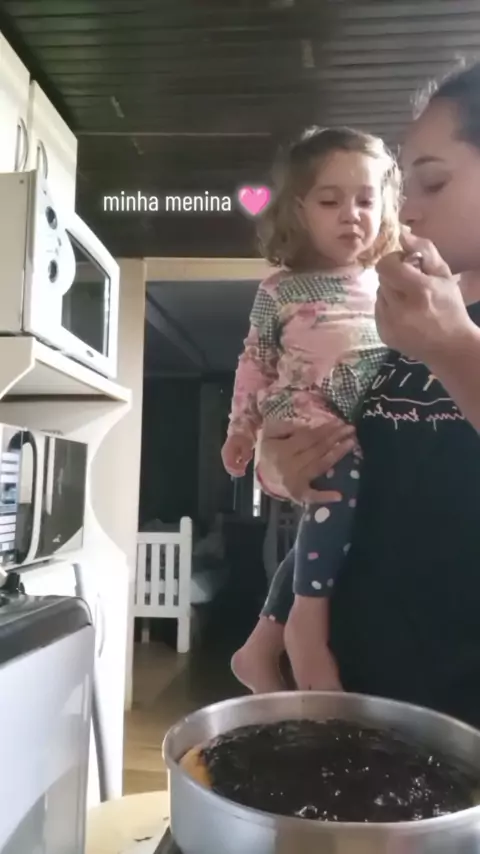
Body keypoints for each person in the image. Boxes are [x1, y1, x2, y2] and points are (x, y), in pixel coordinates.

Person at [255, 60, 480, 730]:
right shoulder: (409, 317)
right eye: (405, 185)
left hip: (457, 722)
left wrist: (455, 346)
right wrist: (281, 467)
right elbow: (360, 462)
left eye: (433, 181)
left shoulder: (439, 329)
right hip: (350, 691)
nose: (405, 209)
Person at [221, 126, 401, 692]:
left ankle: (261, 645)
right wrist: (241, 430)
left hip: (361, 424)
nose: (352, 214)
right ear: (299, 210)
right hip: (305, 416)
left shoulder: (388, 282)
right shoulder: (280, 289)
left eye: (366, 200)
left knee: (325, 527)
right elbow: (255, 362)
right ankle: (307, 625)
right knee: (333, 498)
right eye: (330, 201)